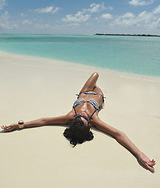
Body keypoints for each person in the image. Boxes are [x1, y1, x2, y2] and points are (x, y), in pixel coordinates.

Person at [1, 72, 155, 171]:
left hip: (84, 91)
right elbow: (118, 134)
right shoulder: (94, 119)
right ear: (89, 125)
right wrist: (139, 154)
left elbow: (44, 120)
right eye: (84, 117)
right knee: (97, 78)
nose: (81, 113)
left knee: (95, 73)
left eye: (78, 116)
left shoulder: (70, 117)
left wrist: (19, 125)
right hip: (96, 93)